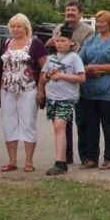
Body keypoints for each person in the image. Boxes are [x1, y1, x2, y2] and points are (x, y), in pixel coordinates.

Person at [0, 13, 47, 172]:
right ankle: (12, 160)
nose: (15, 29)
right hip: (7, 90)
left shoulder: (35, 43)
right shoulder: (6, 43)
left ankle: (29, 161)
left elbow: (45, 68)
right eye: (13, 26)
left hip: (29, 89)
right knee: (8, 124)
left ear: (26, 28)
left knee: (28, 123)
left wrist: (41, 89)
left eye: (19, 26)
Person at [49, 0, 95, 165]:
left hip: (79, 80)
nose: (70, 13)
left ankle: (85, 157)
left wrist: (70, 48)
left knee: (82, 120)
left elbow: (85, 53)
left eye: (73, 11)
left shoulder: (88, 31)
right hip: (60, 85)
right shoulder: (58, 29)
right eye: (68, 10)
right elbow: (54, 51)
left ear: (80, 13)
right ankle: (65, 156)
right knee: (63, 121)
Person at [78, 10, 110, 170]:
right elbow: (80, 62)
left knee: (108, 125)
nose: (99, 25)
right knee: (91, 125)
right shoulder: (90, 41)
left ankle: (109, 159)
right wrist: (89, 70)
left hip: (109, 92)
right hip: (89, 91)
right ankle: (92, 158)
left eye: (103, 22)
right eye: (97, 22)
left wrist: (94, 67)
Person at [39, 26, 85, 176]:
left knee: (60, 126)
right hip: (52, 97)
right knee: (57, 128)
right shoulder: (51, 58)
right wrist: (48, 76)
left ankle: (59, 162)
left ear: (70, 42)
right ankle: (62, 160)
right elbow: (43, 77)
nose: (59, 44)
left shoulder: (74, 58)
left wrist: (62, 76)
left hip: (66, 97)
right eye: (57, 41)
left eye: (63, 41)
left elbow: (81, 77)